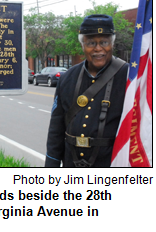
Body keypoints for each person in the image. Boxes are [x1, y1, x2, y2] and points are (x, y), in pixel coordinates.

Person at [45, 14, 129, 168]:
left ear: (112, 43)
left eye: (104, 42)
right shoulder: (67, 78)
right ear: (82, 45)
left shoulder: (128, 77)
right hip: (71, 164)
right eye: (91, 43)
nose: (98, 49)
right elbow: (56, 129)